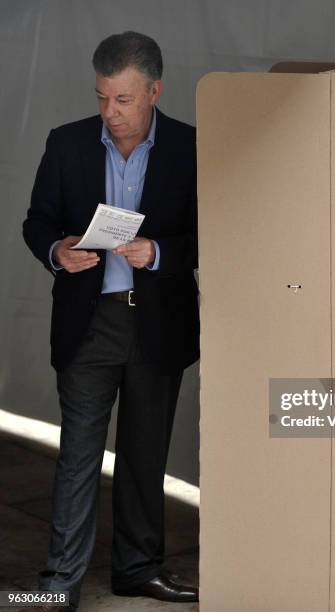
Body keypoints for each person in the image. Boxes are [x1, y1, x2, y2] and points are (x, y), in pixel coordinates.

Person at [22, 31, 199, 611]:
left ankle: (138, 570)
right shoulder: (67, 143)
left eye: (123, 100)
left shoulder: (191, 148)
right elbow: (37, 220)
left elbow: (211, 233)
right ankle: (59, 584)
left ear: (154, 90)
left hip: (157, 326)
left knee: (146, 457)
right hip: (89, 323)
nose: (110, 113)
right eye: (102, 97)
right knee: (78, 455)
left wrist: (161, 254)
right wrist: (57, 250)